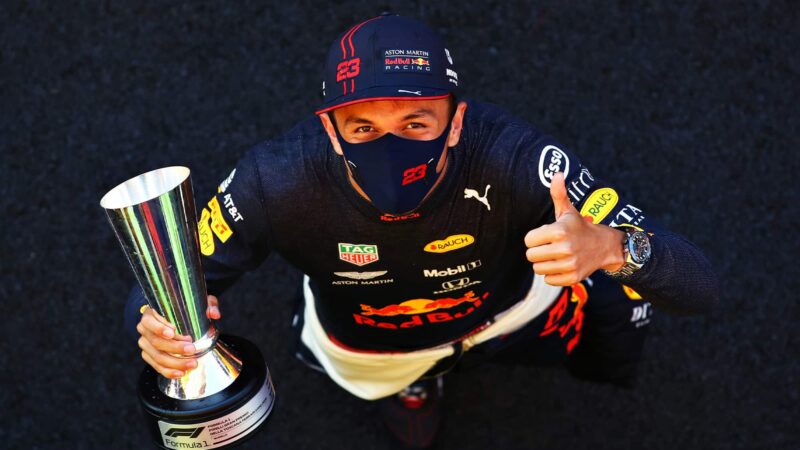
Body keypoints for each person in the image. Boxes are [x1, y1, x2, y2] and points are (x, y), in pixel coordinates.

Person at [125, 14, 718, 448]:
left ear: (457, 121)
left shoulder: (520, 159)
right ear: (329, 130)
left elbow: (700, 288)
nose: (390, 147)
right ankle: (413, 388)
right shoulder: (271, 181)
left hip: (512, 314)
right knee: (394, 386)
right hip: (372, 349)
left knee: (603, 335)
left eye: (416, 121)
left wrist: (614, 247)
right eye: (362, 129)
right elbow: (163, 286)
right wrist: (156, 328)